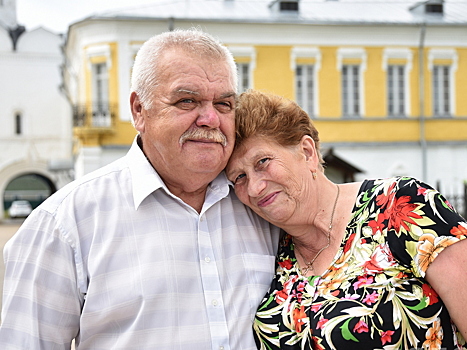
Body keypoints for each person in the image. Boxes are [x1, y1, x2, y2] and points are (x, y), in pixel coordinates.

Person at [0, 30, 280, 349]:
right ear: (138, 111)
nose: (210, 118)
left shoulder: (263, 204)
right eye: (187, 100)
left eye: (224, 104)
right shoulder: (63, 225)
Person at [225, 89, 467, 350]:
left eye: (262, 161)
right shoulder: (271, 248)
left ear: (307, 152)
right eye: (239, 177)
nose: (254, 188)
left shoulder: (402, 205)